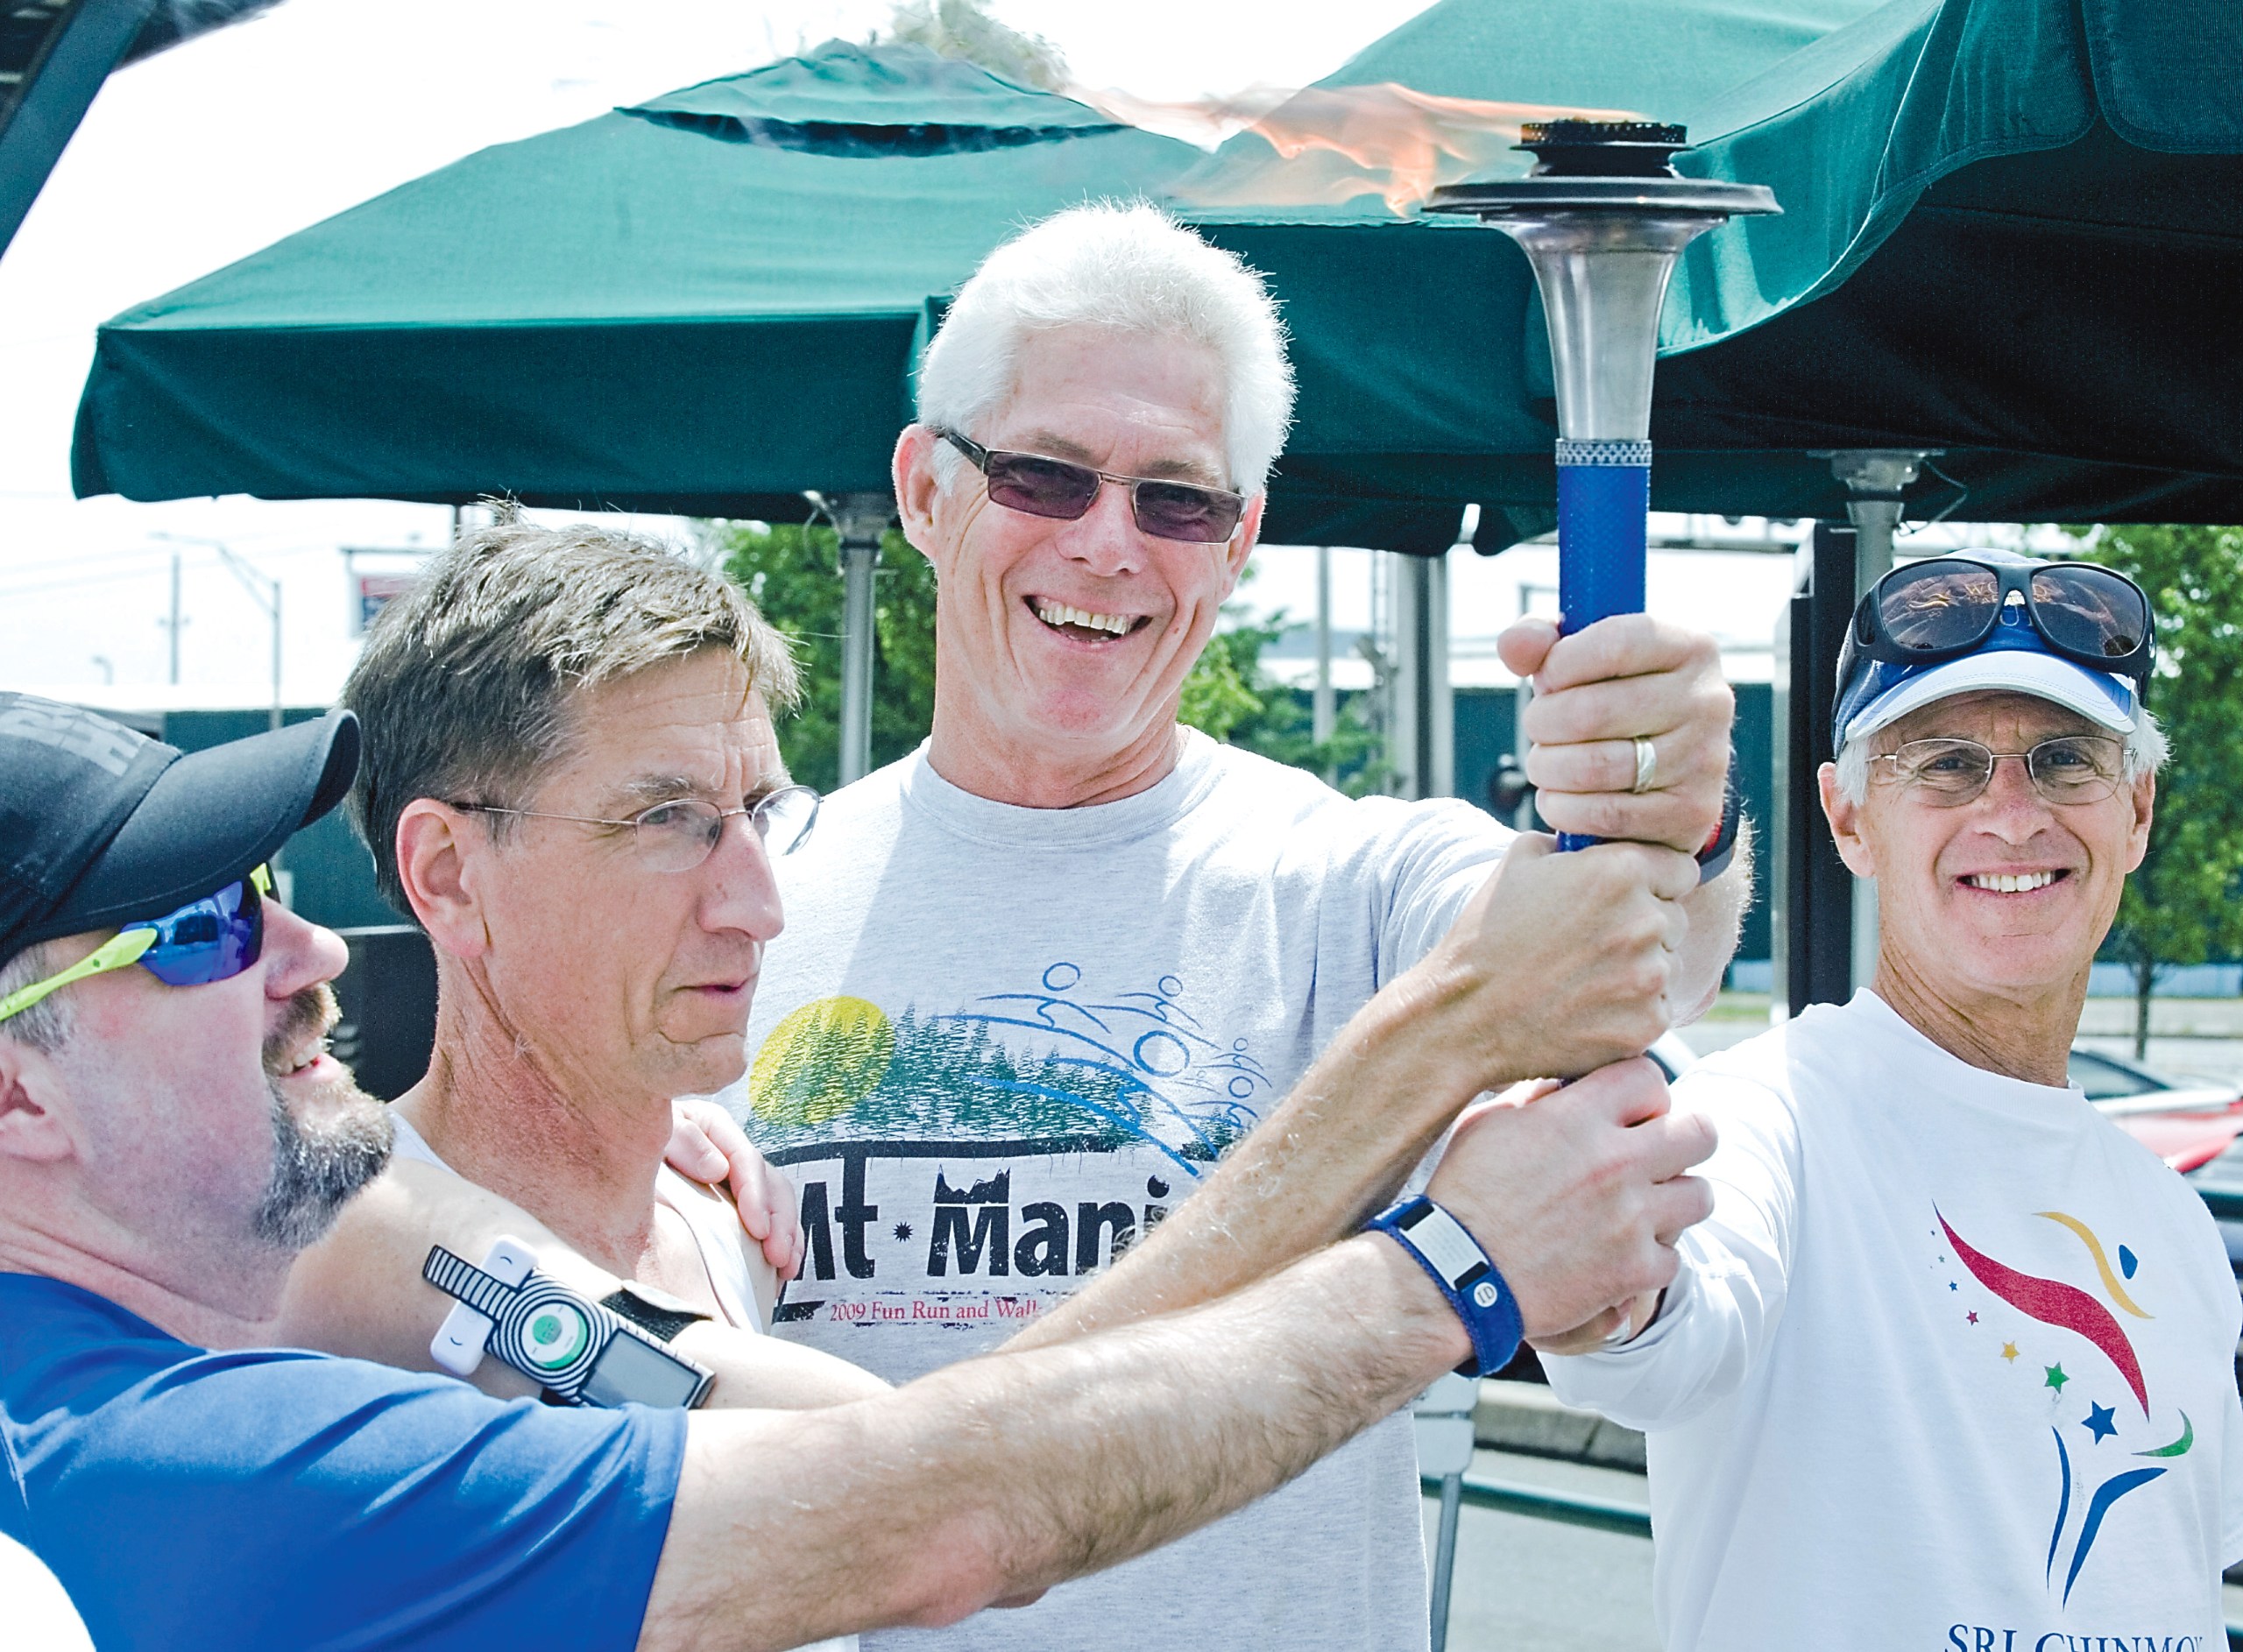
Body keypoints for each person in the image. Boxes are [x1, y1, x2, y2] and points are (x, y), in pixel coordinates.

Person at [0, 685, 1711, 1649]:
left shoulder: (304, 1294)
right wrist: (1453, 1264)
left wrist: (477, 1214)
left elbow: (810, 1419)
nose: (308, 951)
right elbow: (947, 1506)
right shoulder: (202, 1469)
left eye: (266, 889)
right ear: (18, 1096)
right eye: (201, 926)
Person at [726, 200, 1751, 1650]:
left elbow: (1632, 960)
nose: (1108, 544)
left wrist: (1676, 812)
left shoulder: (1351, 881)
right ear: (925, 489)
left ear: (1241, 538)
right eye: (1044, 475)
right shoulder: (748, 897)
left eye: (1178, 501)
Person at [1542, 549, 2243, 1647]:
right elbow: (1647, 1327)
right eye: (1946, 763)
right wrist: (1598, 1276)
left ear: (2138, 810)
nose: (2012, 813)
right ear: (1848, 818)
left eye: (2065, 760)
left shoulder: (2173, 1223)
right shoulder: (1764, 1122)